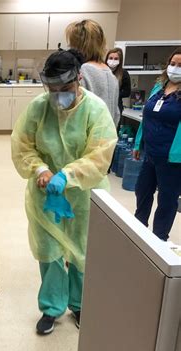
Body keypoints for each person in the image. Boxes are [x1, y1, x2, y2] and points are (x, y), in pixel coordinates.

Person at [11, 50, 117, 335]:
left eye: (65, 89)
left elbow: (100, 154)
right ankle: (51, 308)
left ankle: (80, 304)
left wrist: (67, 175)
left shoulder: (95, 110)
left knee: (81, 250)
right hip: (45, 194)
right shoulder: (39, 107)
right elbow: (23, 145)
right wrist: (40, 169)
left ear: (79, 79)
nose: (58, 96)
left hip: (83, 195)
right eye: (53, 90)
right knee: (50, 252)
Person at [133, 48, 181, 242]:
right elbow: (147, 117)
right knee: (142, 190)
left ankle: (159, 238)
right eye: (173, 63)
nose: (175, 68)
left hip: (172, 158)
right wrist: (138, 143)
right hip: (150, 153)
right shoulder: (159, 87)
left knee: (167, 200)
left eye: (180, 65)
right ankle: (138, 230)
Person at [66, 19, 120, 126]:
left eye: (71, 44)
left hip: (87, 138)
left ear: (78, 46)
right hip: (106, 137)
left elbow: (73, 114)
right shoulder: (109, 73)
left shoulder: (83, 70)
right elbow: (116, 114)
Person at [105, 47, 131, 119]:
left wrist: (113, 93)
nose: (112, 60)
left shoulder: (124, 74)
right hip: (102, 105)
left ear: (120, 60)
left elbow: (127, 92)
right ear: (107, 59)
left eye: (116, 59)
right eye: (110, 58)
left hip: (116, 106)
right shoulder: (102, 72)